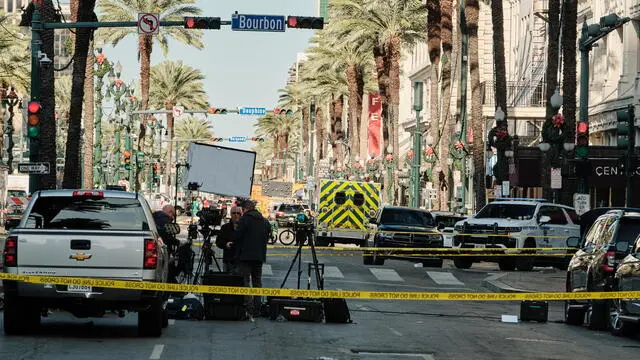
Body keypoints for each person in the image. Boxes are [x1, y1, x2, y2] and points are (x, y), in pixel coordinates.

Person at [232, 199, 271, 318]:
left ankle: (248, 307)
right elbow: (267, 236)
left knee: (245, 282)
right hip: (259, 256)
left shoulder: (245, 219)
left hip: (245, 256)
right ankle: (257, 308)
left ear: (245, 209)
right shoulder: (265, 221)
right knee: (257, 282)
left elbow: (237, 236)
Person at [215, 206, 242, 272]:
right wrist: (226, 244)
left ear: (241, 214)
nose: (236, 215)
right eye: (234, 213)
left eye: (238, 213)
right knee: (227, 280)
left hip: (241, 261)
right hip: (228, 260)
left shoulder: (244, 227)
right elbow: (218, 242)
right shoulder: (225, 227)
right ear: (230, 214)